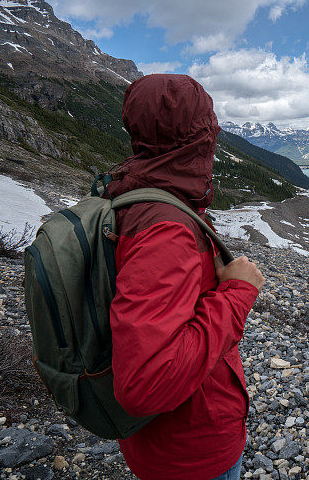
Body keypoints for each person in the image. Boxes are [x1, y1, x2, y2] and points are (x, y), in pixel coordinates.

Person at [106, 74, 264, 479]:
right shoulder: (167, 228)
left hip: (161, 444)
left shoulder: (131, 193)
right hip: (193, 452)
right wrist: (237, 293)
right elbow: (146, 383)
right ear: (200, 138)